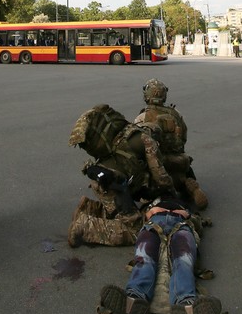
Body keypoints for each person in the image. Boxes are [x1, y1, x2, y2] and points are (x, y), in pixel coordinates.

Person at [99, 194, 235, 314]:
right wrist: (148, 212)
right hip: (153, 223)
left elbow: (198, 221)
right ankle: (135, 297)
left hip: (182, 224)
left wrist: (189, 215)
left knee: (183, 260)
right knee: (145, 258)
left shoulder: (184, 202)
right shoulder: (150, 199)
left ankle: (185, 302)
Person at [68, 104, 175, 247]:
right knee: (136, 231)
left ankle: (90, 208)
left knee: (124, 211)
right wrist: (172, 194)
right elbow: (161, 178)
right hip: (115, 186)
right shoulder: (147, 140)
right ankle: (85, 227)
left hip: (103, 181)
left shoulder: (122, 136)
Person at [134, 80, 208, 210]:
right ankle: (187, 185)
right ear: (164, 96)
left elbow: (137, 145)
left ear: (147, 96)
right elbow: (183, 138)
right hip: (179, 162)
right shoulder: (176, 114)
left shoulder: (142, 118)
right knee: (184, 173)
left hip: (158, 166)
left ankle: (158, 197)